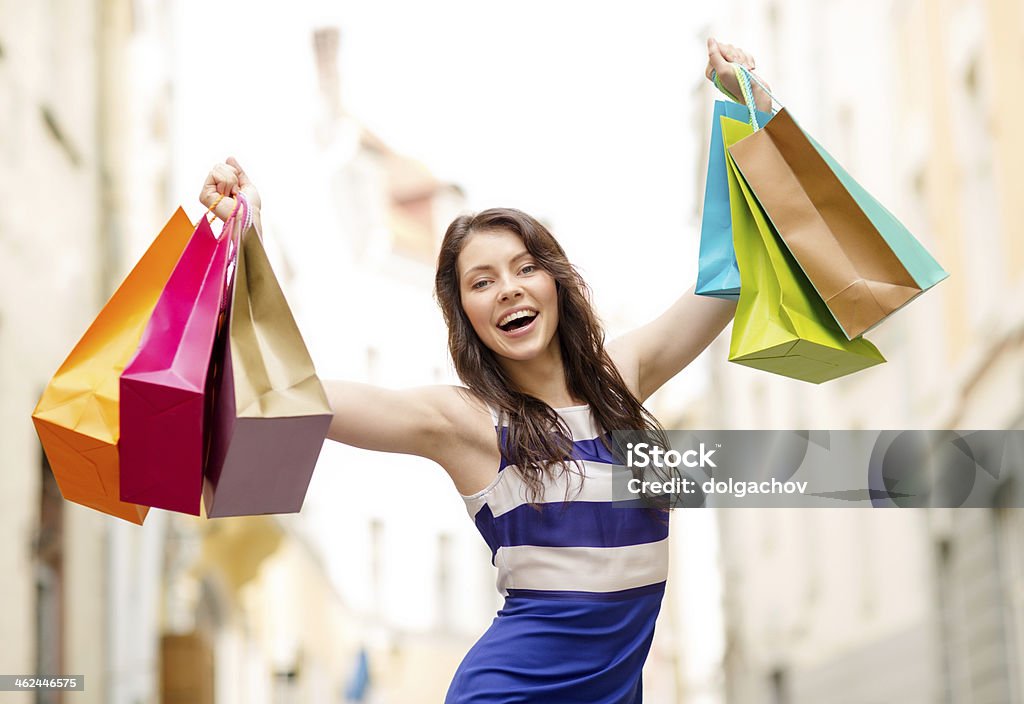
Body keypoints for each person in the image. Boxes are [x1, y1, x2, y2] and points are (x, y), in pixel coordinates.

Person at [201, 38, 769, 704]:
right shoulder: (463, 421)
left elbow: (730, 281)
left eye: (526, 268)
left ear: (556, 283)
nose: (509, 290)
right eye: (482, 281)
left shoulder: (623, 375)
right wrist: (249, 238)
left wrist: (750, 115)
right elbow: (296, 393)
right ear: (465, 312)